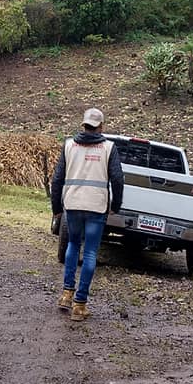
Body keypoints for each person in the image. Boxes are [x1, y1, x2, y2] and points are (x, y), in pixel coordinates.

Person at [50, 107, 124, 322]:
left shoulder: (69, 145)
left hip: (72, 204)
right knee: (90, 252)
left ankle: (66, 294)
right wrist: (116, 205)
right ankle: (80, 305)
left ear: (83, 124)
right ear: (101, 126)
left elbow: (57, 180)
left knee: (73, 245)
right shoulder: (109, 148)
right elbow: (118, 179)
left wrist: (56, 207)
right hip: (96, 207)